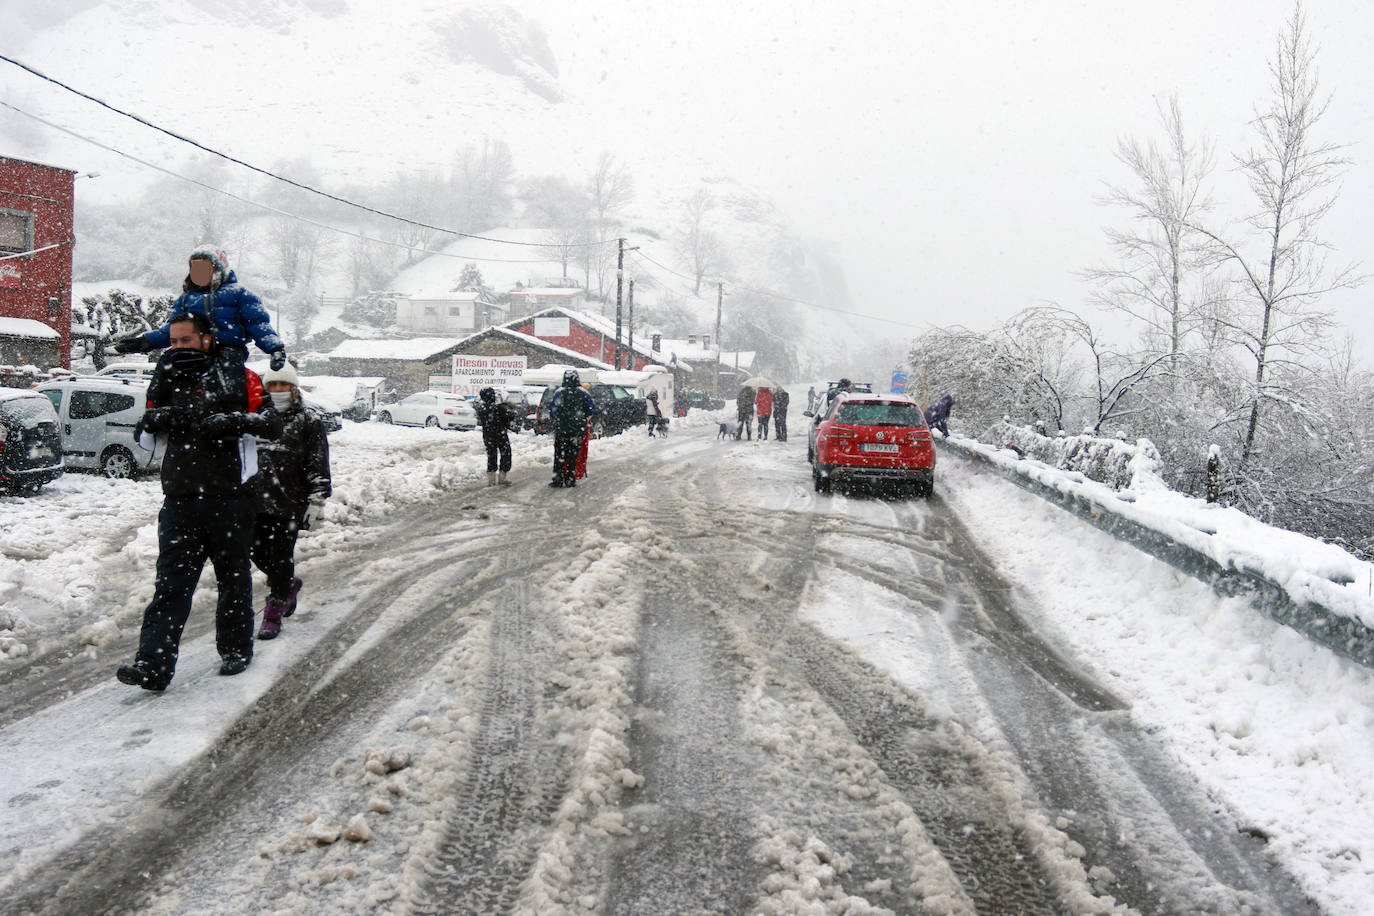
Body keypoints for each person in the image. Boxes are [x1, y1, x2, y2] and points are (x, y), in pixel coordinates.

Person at [116, 312, 282, 691]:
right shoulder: (166, 378)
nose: (177, 349)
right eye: (172, 342)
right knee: (170, 587)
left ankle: (236, 648)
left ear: (207, 340)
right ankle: (152, 665)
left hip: (231, 499)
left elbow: (273, 425)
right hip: (180, 500)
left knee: (233, 579)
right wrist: (156, 421)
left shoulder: (242, 377)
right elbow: (145, 434)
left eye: (185, 341)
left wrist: (233, 421)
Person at [250, 360, 331, 640]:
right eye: (272, 384)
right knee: (255, 551)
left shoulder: (309, 421)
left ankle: (274, 610)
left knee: (282, 557)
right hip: (255, 502)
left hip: (289, 503)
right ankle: (287, 585)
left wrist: (317, 499)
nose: (278, 389)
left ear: (293, 387)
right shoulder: (256, 418)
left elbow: (317, 463)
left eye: (283, 384)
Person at [113, 245, 287, 372]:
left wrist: (275, 348)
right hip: (192, 348)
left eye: (205, 268)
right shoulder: (186, 299)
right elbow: (171, 331)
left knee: (229, 374)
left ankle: (232, 409)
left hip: (227, 349)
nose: (199, 273)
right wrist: (143, 342)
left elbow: (257, 324)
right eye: (195, 268)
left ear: (218, 269)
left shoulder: (239, 294)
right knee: (166, 366)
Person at [549, 370, 598, 487]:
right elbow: (591, 410)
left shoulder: (559, 393)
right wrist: (581, 419)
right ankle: (570, 478)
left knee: (559, 455)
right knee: (573, 455)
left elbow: (553, 410)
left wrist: (559, 420)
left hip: (561, 430)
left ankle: (558, 478)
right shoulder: (584, 393)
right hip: (577, 431)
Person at [475, 387, 519, 485]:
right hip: (500, 435)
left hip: (487, 436)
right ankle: (502, 477)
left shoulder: (481, 409)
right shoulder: (499, 408)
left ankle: (491, 479)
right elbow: (510, 415)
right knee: (506, 454)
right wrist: (507, 406)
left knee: (491, 456)